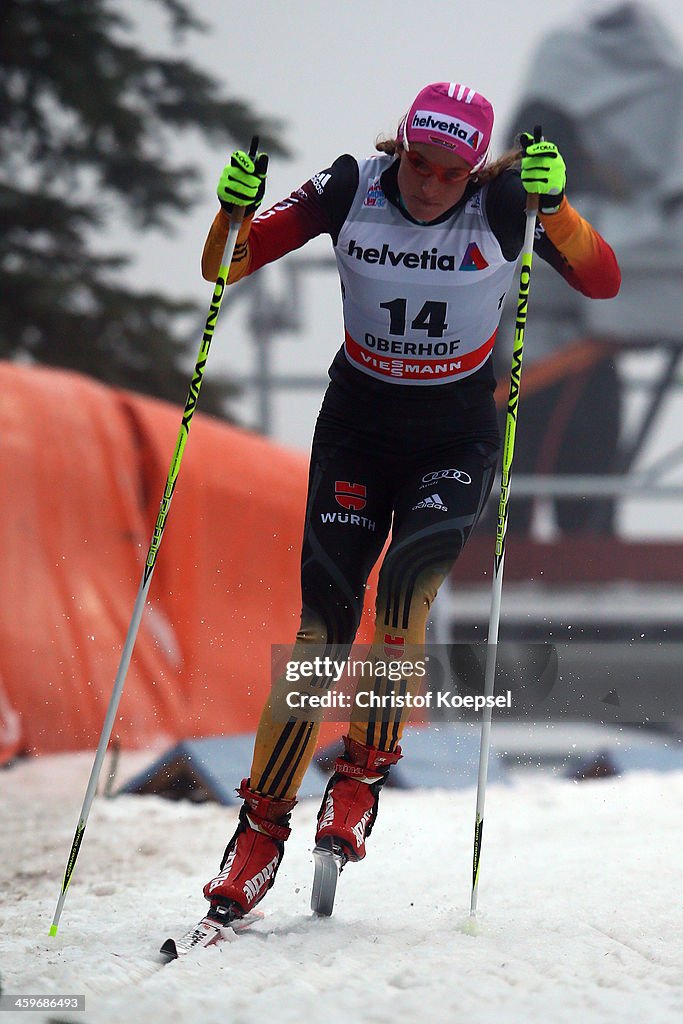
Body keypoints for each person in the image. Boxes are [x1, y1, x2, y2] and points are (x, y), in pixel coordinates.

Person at [199, 82, 621, 918]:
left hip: (452, 438)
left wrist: (560, 208)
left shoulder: (507, 202)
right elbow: (225, 265)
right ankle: (258, 832)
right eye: (418, 164)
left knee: (402, 599)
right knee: (321, 627)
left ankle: (358, 778)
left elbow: (601, 281)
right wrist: (230, 214)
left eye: (450, 172)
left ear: (478, 168)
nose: (430, 185)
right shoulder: (351, 187)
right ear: (400, 148)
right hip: (356, 429)